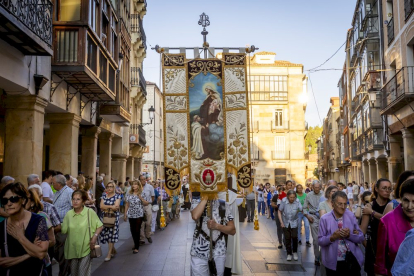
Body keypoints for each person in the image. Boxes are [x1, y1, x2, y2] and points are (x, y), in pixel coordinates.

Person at [0, 183, 49, 276]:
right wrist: (29, 254)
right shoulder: (1, 227)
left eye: (13, 199)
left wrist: (20, 237)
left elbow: (41, 254)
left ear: (23, 200)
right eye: (4, 201)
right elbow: (1, 262)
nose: (9, 203)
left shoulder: (38, 220)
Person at [318, 191, 364, 276]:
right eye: (340, 204)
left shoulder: (350, 215)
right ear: (332, 204)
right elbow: (320, 241)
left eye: (345, 204)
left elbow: (361, 238)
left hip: (351, 260)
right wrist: (332, 237)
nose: (343, 207)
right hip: (333, 263)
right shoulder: (325, 219)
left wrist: (349, 235)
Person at [374, 178, 414, 276]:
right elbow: (380, 266)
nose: (410, 206)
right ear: (400, 199)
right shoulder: (387, 221)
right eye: (406, 200)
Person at [190, 196, 236, 276]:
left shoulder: (223, 205)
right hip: (199, 251)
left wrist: (217, 226)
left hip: (219, 251)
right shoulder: (196, 202)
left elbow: (232, 230)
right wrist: (205, 197)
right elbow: (195, 216)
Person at [62, 190, 102, 276]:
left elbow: (99, 226)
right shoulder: (68, 214)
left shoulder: (89, 212)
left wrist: (94, 238)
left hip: (86, 248)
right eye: (73, 199)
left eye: (78, 199)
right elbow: (63, 230)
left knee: (82, 273)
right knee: (74, 274)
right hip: (72, 249)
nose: (75, 201)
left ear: (83, 201)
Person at [359, 178, 391, 276]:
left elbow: (389, 222)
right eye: (384, 188)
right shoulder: (369, 206)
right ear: (376, 189)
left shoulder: (393, 205)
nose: (387, 190)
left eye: (389, 188)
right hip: (373, 248)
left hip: (390, 248)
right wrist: (367, 245)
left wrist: (372, 213)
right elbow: (362, 231)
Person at [26, 188, 55, 276]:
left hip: (41, 263)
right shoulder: (13, 220)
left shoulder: (41, 216)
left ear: (32, 202)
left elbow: (52, 240)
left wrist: (39, 245)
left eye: (25, 200)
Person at [52, 174, 74, 276]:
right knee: (55, 250)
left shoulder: (69, 192)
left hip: (63, 226)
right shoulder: (56, 193)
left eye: (53, 183)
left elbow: (75, 208)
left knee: (62, 252)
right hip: (54, 226)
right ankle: (68, 268)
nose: (52, 184)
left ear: (59, 184)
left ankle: (64, 272)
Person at [124, 180, 149, 254]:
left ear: (138, 185)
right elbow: (127, 204)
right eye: (133, 184)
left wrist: (141, 198)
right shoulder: (129, 194)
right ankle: (135, 243)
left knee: (137, 229)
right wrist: (125, 214)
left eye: (135, 184)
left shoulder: (142, 193)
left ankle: (137, 247)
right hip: (131, 214)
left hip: (139, 214)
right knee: (132, 230)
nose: (134, 186)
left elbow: (147, 203)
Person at [303, 179, 323, 266]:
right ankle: (317, 258)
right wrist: (308, 216)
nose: (317, 189)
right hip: (313, 217)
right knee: (315, 240)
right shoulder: (309, 195)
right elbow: (304, 208)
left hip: (324, 217)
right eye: (315, 187)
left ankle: (323, 257)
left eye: (318, 187)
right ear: (312, 187)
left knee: (324, 238)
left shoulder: (324, 194)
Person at [278, 190, 302, 261]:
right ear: (288, 196)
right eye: (291, 197)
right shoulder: (284, 201)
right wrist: (281, 222)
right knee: (287, 238)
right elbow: (279, 211)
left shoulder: (297, 201)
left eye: (293, 197)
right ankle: (289, 253)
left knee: (295, 237)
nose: (292, 199)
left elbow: (301, 209)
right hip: (285, 222)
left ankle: (294, 252)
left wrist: (298, 211)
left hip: (294, 222)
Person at [100, 181, 121, 262]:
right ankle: (112, 249)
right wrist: (110, 206)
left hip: (113, 218)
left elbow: (116, 207)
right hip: (104, 217)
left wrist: (106, 207)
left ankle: (109, 253)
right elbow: (101, 206)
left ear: (114, 188)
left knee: (111, 236)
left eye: (111, 186)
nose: (109, 188)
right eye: (108, 186)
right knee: (105, 234)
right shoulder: (104, 196)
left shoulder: (117, 196)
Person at [139, 175, 154, 244]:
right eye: (141, 179)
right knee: (141, 224)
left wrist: (149, 203)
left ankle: (148, 235)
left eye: (144, 179)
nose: (143, 181)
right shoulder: (138, 187)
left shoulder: (150, 187)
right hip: (139, 206)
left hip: (147, 205)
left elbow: (153, 196)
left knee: (148, 222)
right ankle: (142, 238)